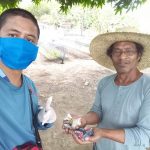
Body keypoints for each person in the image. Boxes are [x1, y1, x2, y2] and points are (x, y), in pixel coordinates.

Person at [64, 32, 150, 150]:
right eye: (116, 51)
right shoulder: (104, 83)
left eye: (129, 51)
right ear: (111, 56)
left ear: (139, 55)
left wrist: (103, 133)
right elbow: (97, 111)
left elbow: (146, 136)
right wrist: (83, 119)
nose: (122, 57)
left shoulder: (147, 86)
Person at [0, 8, 56, 149]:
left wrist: (41, 117)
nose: (21, 44)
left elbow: (30, 123)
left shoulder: (29, 85)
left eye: (29, 40)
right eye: (13, 35)